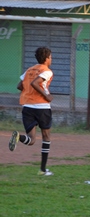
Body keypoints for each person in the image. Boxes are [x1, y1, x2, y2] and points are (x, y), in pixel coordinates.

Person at [9, 47, 54, 176]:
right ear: (46, 58)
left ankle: (19, 137)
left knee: (31, 140)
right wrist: (46, 96)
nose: (51, 59)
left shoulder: (29, 70)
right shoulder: (47, 71)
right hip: (42, 108)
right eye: (50, 57)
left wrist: (29, 94)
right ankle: (42, 170)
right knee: (46, 137)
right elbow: (36, 83)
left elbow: (19, 86)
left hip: (27, 107)